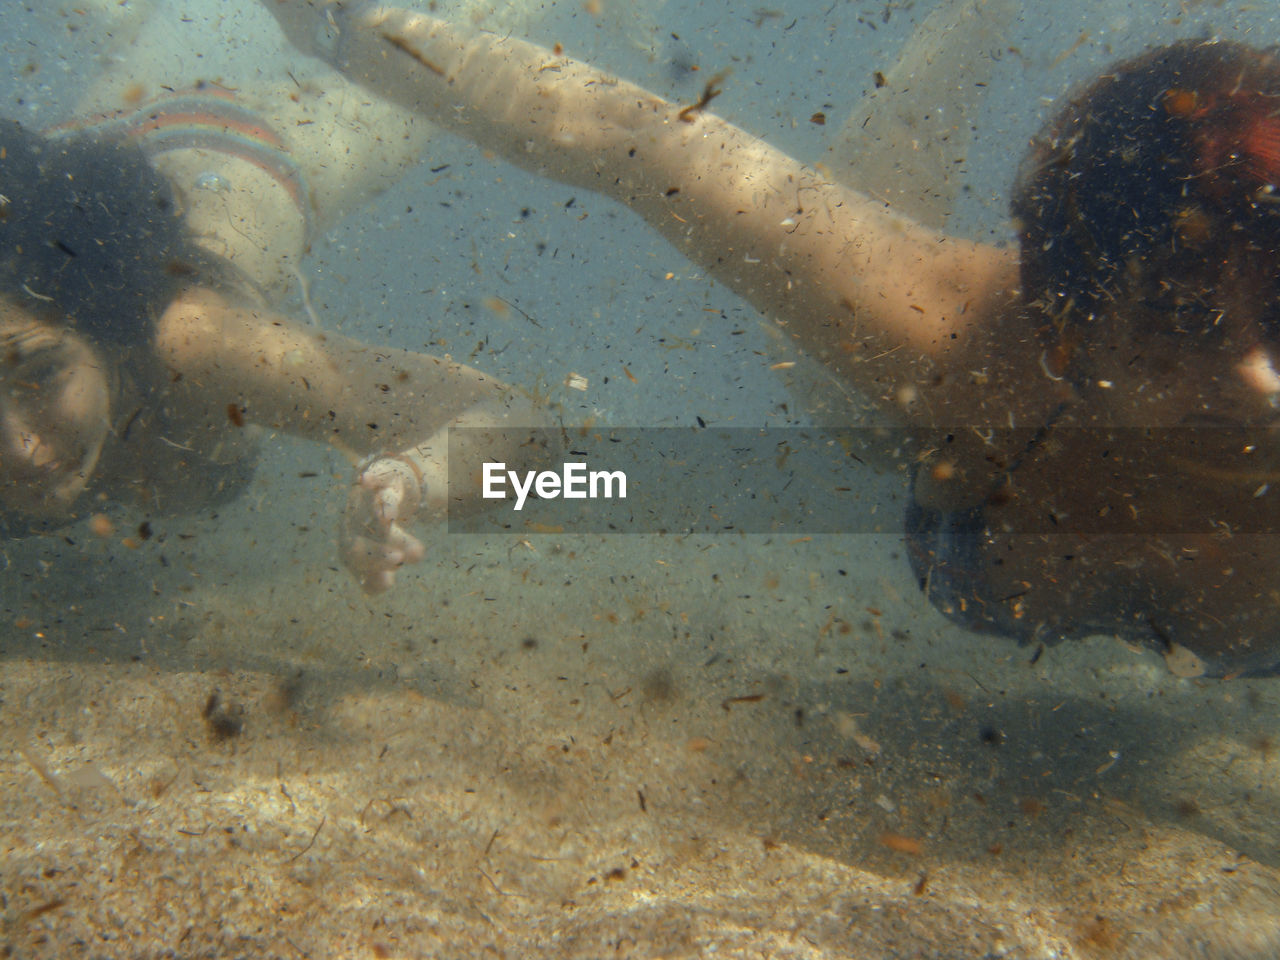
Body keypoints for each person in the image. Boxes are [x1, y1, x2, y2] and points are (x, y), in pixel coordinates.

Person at [258, 1, 1280, 678]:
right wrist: (341, 29)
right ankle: (967, 21)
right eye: (1184, 320)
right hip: (921, 423)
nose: (1261, 378)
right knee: (862, 245)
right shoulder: (952, 334)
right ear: (1066, 314)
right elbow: (628, 135)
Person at [0, 4, 551, 595]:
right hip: (59, 164)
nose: (20, 448)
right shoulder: (35, 300)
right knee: (148, 54)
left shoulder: (194, 343)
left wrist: (413, 477)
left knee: (426, 64)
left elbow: (525, 424)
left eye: (38, 377)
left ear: (107, 327)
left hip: (236, 145)